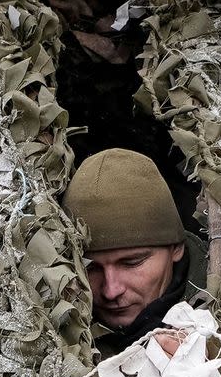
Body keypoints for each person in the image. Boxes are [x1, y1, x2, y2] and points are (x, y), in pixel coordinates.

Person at [61, 148, 207, 358]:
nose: (111, 291)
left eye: (131, 263)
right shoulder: (58, 332)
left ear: (176, 248)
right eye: (90, 267)